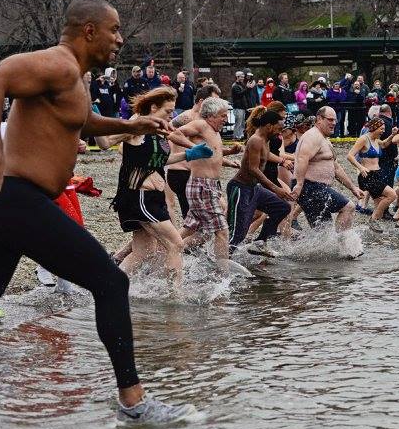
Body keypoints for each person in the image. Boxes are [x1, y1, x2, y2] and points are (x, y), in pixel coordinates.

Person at [0, 0, 195, 423]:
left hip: (11, 206)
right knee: (111, 282)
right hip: (19, 197)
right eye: (114, 30)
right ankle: (134, 402)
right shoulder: (57, 63)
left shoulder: (73, 81)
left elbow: (84, 123)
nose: (120, 39)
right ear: (89, 31)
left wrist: (131, 124)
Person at [97, 86, 209, 294]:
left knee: (143, 252)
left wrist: (188, 155)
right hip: (139, 196)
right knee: (176, 243)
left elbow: (160, 159)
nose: (172, 115)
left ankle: (110, 286)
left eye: (173, 111)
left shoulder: (158, 131)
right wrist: (93, 120)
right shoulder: (137, 126)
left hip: (153, 197)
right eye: (168, 111)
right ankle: (175, 294)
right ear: (154, 107)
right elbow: (105, 143)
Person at [173, 97, 234, 268]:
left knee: (192, 230)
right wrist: (192, 148)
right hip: (201, 186)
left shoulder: (215, 131)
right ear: (212, 114)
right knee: (222, 231)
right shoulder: (200, 125)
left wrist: (230, 153)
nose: (225, 119)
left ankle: (170, 251)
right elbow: (174, 133)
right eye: (222, 115)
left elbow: (213, 154)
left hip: (210, 186)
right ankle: (223, 274)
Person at [225, 108, 293, 255]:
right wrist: (276, 189)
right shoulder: (255, 140)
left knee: (282, 208)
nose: (279, 132)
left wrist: (283, 161)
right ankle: (222, 260)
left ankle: (260, 242)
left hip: (254, 188)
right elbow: (254, 169)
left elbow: (266, 155)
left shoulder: (265, 140)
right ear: (269, 126)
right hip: (240, 188)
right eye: (278, 128)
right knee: (238, 233)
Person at [292, 107, 362, 233]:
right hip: (310, 187)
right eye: (330, 120)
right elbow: (302, 159)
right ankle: (343, 245)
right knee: (348, 207)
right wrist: (299, 184)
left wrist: (353, 188)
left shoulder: (323, 138)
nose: (334, 123)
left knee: (324, 231)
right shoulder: (312, 136)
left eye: (335, 120)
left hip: (315, 188)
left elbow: (335, 167)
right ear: (319, 119)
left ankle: (315, 249)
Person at [346, 117, 397, 232]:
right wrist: (360, 167)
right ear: (374, 127)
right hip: (367, 176)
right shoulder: (364, 139)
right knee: (392, 195)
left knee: (379, 202)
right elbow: (349, 155)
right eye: (381, 129)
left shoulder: (376, 140)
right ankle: (373, 221)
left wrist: (392, 135)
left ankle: (374, 225)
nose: (383, 131)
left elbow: (384, 144)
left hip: (377, 174)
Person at [230, 71, 250, 140]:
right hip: (238, 107)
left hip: (242, 107)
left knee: (242, 123)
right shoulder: (235, 85)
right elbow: (239, 94)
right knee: (238, 122)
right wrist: (247, 88)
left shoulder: (241, 85)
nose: (243, 78)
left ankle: (241, 136)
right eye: (241, 77)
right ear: (237, 77)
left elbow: (245, 94)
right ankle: (235, 136)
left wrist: (248, 88)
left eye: (243, 77)